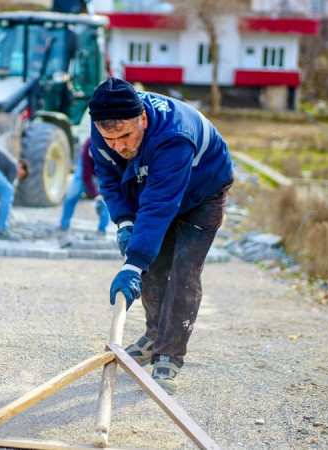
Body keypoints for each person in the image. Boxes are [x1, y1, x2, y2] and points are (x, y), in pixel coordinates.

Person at [87, 77, 233, 394]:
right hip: (155, 186)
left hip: (202, 191)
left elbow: (158, 205)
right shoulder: (104, 127)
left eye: (125, 136)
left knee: (184, 270)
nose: (120, 146)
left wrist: (132, 262)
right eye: (111, 140)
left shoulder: (174, 136)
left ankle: (168, 356)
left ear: (142, 118)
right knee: (152, 268)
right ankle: (155, 335)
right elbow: (110, 180)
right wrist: (125, 223)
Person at [58, 137, 109, 237]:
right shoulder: (89, 144)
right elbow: (86, 176)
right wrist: (95, 195)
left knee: (106, 200)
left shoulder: (111, 147)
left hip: (105, 169)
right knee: (71, 195)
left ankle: (102, 230)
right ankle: (64, 225)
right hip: (85, 167)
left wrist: (100, 196)